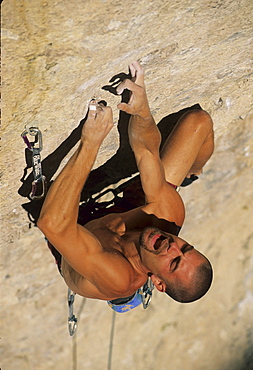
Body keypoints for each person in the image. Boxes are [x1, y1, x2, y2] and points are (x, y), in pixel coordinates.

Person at [38, 61, 214, 309]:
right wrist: (142, 111)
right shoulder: (167, 221)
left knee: (116, 287)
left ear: (158, 283)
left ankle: (123, 300)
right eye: (186, 247)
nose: (173, 246)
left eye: (174, 262)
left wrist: (91, 143)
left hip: (77, 238)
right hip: (123, 215)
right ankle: (192, 172)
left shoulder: (118, 275)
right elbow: (146, 151)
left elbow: (52, 224)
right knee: (199, 123)